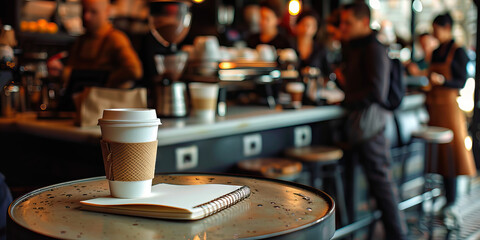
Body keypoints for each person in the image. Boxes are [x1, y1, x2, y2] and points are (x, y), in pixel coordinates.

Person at [339, 3, 408, 239]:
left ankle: (398, 235)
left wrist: (345, 99)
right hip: (363, 124)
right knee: (375, 183)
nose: (343, 27)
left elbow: (377, 92)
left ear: (363, 21)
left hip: (372, 125)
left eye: (348, 22)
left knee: (382, 184)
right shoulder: (357, 47)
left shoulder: (373, 48)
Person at [426, 13, 476, 219]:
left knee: (452, 155)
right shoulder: (437, 50)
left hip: (449, 109)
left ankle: (452, 201)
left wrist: (443, 81)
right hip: (434, 107)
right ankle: (444, 198)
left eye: (437, 28)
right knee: (439, 156)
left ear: (446, 28)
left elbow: (462, 82)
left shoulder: (459, 52)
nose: (434, 32)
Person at [50, 0, 142, 89]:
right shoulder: (82, 39)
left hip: (103, 100)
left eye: (93, 12)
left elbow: (134, 70)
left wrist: (108, 80)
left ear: (107, 11)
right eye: (84, 11)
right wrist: (63, 71)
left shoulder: (115, 39)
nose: (87, 17)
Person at [294, 9, 331, 76]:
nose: (306, 29)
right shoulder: (289, 45)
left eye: (311, 25)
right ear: (297, 25)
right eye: (304, 24)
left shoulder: (320, 49)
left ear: (316, 29)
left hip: (314, 84)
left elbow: (327, 72)